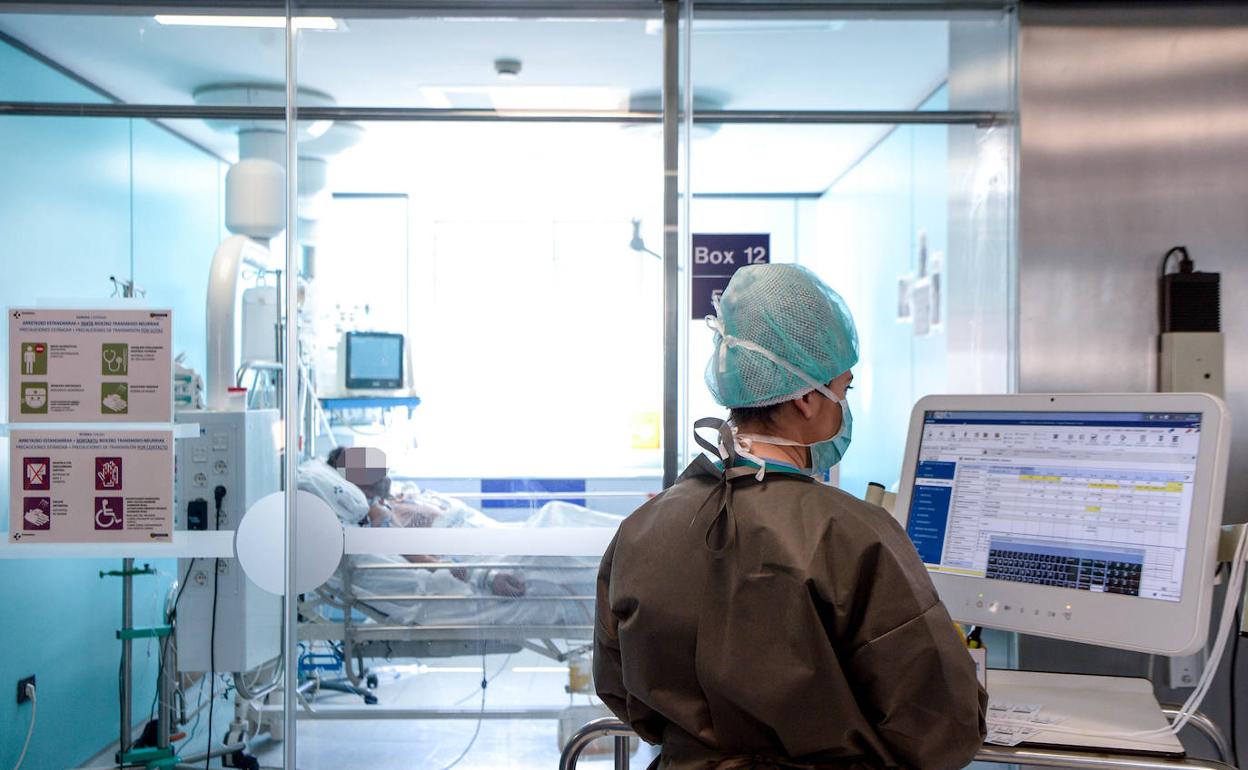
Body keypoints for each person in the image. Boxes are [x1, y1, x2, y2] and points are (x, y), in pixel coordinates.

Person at [594, 264, 987, 770]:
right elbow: (944, 726)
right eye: (843, 390)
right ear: (805, 398)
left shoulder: (642, 529)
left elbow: (618, 687)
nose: (844, 408)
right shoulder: (852, 534)